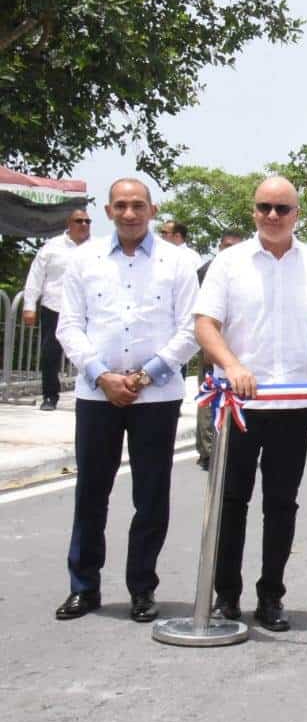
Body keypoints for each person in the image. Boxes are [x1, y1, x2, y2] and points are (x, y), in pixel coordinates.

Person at [194, 176, 307, 632]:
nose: (272, 216)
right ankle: (225, 596)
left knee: (281, 504)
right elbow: (206, 325)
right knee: (230, 502)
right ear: (253, 211)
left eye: (282, 208)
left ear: (297, 214)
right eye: (264, 207)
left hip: (293, 406)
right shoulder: (229, 263)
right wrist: (232, 365)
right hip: (238, 405)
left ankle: (271, 595)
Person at [52, 179, 199, 622]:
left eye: (138, 206)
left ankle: (142, 588)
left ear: (153, 210)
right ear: (108, 210)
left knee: (151, 496)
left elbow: (191, 328)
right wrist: (102, 375)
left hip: (156, 397)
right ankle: (84, 586)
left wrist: (144, 375)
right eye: (121, 205)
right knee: (91, 492)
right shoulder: (84, 260)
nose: (130, 213)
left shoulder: (178, 263)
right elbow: (69, 326)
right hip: (98, 394)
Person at [22, 209, 93, 410]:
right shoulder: (51, 247)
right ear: (69, 224)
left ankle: (88, 396)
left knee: (88, 354)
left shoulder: (98, 248)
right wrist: (29, 306)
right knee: (50, 354)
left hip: (85, 310)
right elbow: (36, 276)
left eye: (88, 221)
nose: (84, 225)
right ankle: (50, 397)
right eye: (79, 221)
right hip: (54, 307)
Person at [194, 231, 245, 470]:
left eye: (235, 247)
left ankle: (227, 450)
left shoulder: (246, 271)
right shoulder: (207, 271)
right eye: (226, 246)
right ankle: (209, 451)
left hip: (235, 354)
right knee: (209, 401)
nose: (229, 251)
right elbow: (200, 314)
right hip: (211, 350)